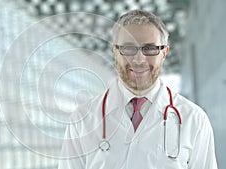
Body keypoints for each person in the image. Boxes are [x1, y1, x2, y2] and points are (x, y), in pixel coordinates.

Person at [58, 9, 217, 169]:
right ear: (115, 51)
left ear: (164, 53)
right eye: (128, 48)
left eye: (149, 48)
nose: (139, 59)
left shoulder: (194, 120)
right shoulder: (82, 119)